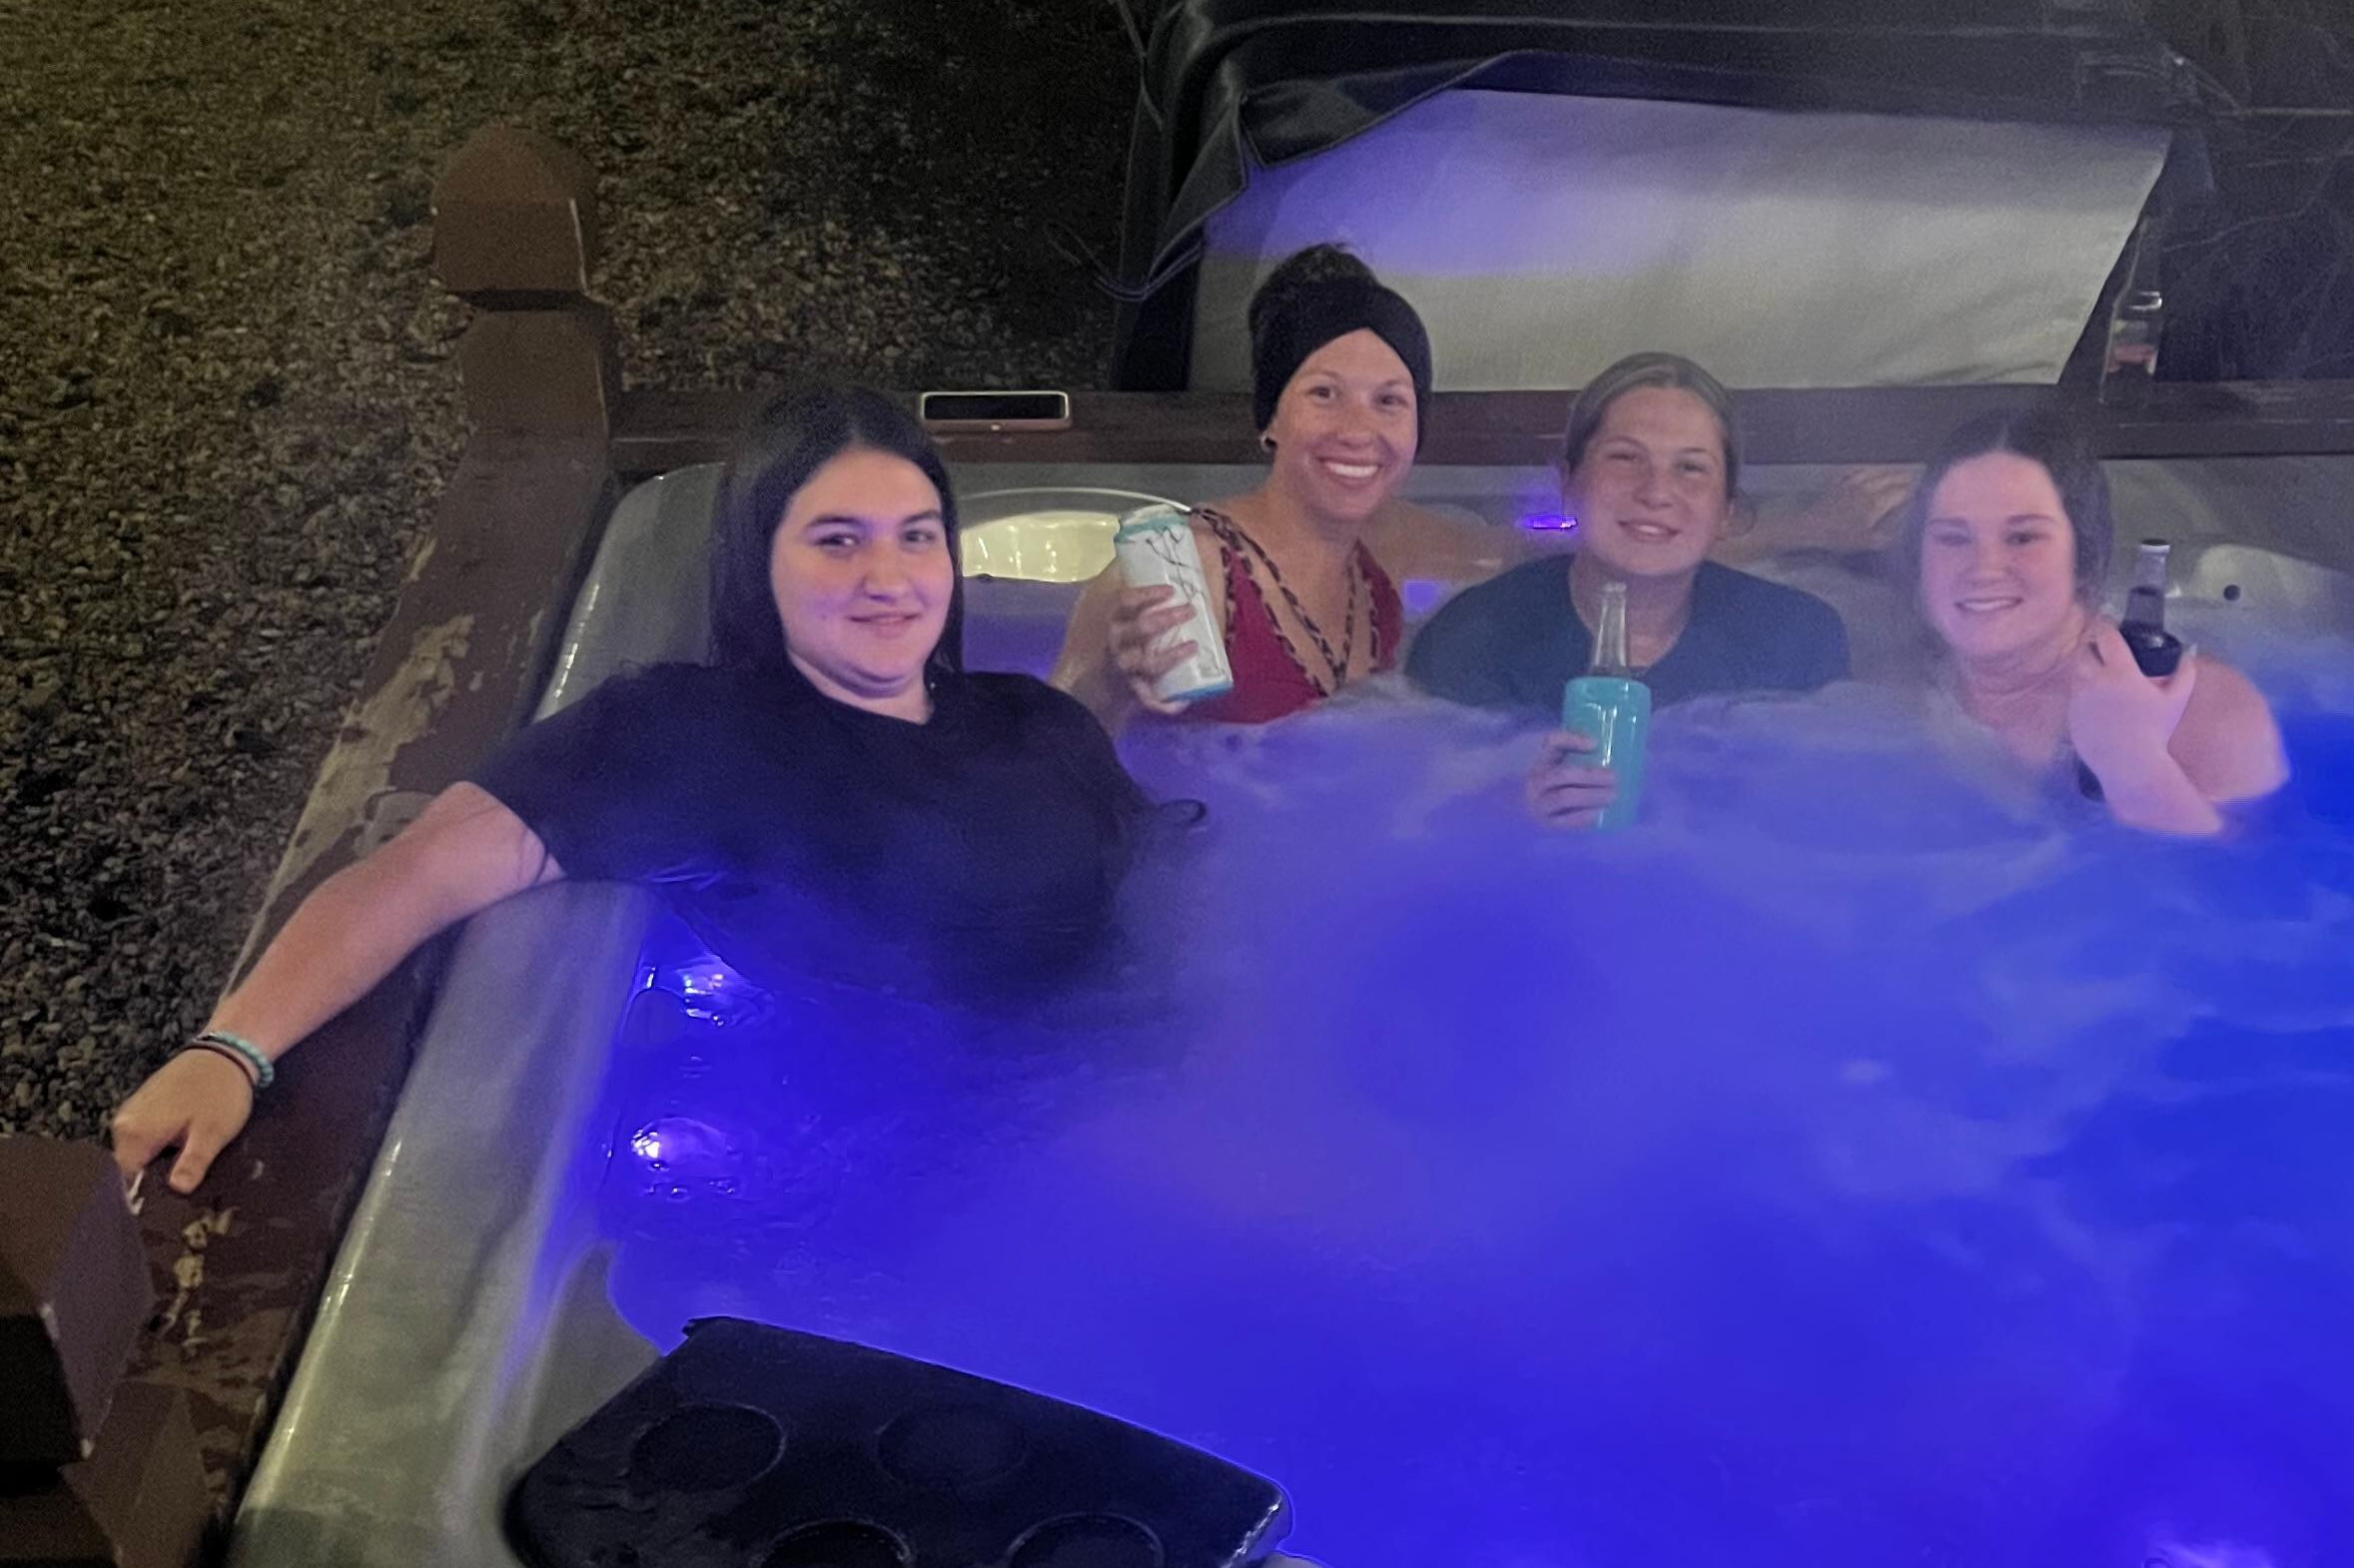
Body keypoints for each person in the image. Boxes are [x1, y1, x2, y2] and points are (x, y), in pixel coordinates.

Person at [112, 386, 1150, 1196]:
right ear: (761, 560)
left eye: (915, 535)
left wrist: (1099, 683)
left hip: (1128, 1066)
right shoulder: (685, 739)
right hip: (940, 1141)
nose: (889, 578)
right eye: (837, 540)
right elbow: (420, 872)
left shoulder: (1018, 717)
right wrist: (231, 1049)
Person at [1404, 353, 1850, 823]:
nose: (1655, 492)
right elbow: (1421, 826)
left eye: (1690, 468)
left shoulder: (1796, 641)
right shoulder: (1473, 640)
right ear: (1569, 482)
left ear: (1727, 510)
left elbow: (1821, 829)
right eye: (1625, 458)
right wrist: (1504, 815)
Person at [1057, 243, 1461, 727]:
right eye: (1324, 393)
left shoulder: (1386, 560)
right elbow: (1046, 749)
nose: (1358, 432)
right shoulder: (1182, 567)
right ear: (1270, 418)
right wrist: (1110, 680)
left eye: (1389, 401)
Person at [1898, 396, 2284, 837]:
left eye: (2023, 537)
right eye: (1953, 538)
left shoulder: (2205, 708)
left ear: (2082, 557)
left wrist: (2134, 764)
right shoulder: (1909, 695)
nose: (1984, 568)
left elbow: (2269, 870)